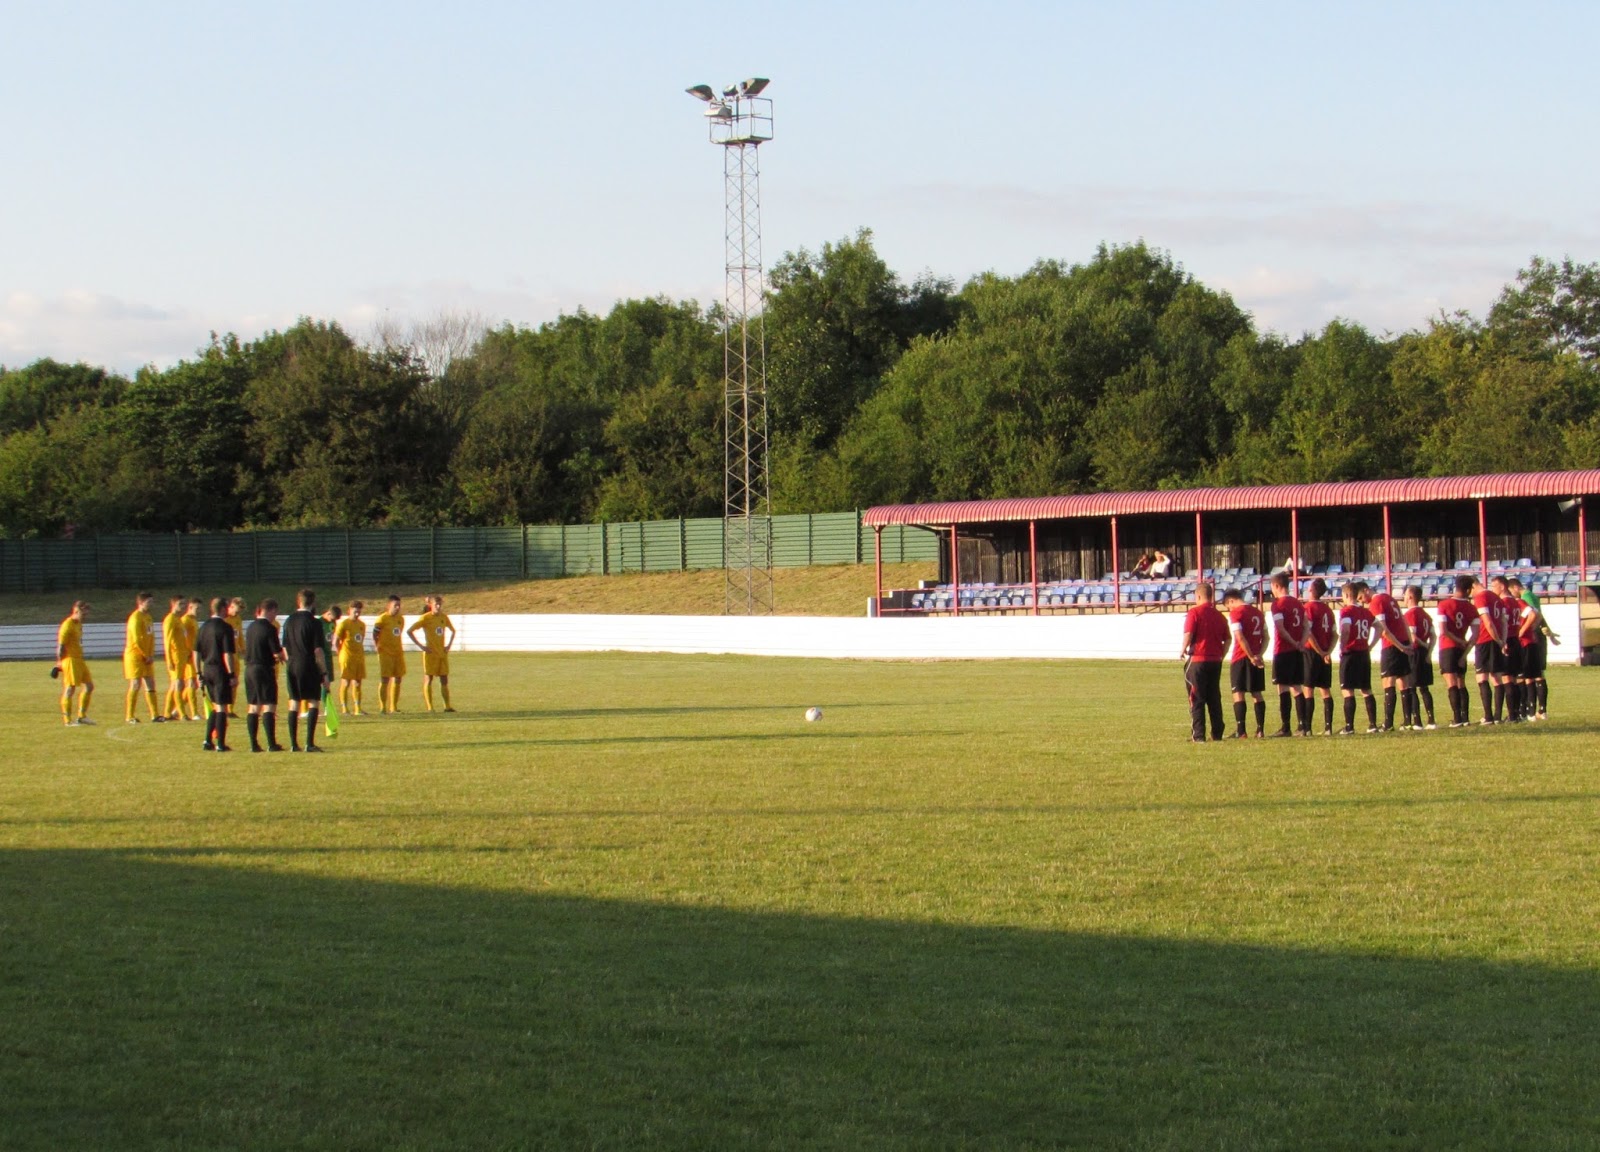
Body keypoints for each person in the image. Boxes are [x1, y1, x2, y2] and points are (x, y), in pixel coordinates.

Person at [281, 589, 332, 753]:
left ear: (298, 602)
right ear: (313, 603)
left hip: (292, 664)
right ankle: (309, 743)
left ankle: (293, 744)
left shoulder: (288, 621)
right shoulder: (314, 622)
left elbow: (284, 647)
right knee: (312, 701)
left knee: (294, 702)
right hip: (308, 664)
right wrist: (324, 673)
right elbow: (318, 650)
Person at [1179, 581, 1229, 742]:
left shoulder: (1194, 613)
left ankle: (1198, 735)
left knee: (1196, 697)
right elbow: (1228, 638)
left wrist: (1183, 649)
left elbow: (1188, 633)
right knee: (1214, 696)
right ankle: (1217, 733)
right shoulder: (1219, 615)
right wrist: (1222, 653)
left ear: (1198, 596)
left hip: (1198, 660)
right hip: (1215, 661)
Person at [1365, 582, 1414, 732]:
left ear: (1367, 590)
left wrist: (1400, 646)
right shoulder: (1389, 598)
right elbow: (1404, 621)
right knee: (1404, 682)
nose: (1362, 601)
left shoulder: (1376, 602)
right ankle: (1407, 722)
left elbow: (1383, 629)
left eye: (1361, 597)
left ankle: (1388, 723)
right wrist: (1409, 642)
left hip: (1392, 645)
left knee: (1388, 681)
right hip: (1403, 640)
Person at [243, 599, 287, 753]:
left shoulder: (250, 627)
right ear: (270, 610)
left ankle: (253, 744)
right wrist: (282, 657)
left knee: (254, 706)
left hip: (249, 669)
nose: (275, 616)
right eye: (275, 612)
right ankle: (271, 743)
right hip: (264, 668)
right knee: (269, 705)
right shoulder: (269, 628)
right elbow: (277, 652)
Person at [1266, 572, 1307, 737]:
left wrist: (1292, 642)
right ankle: (1303, 726)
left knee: (1282, 687)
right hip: (1297, 650)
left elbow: (1281, 629)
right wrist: (1301, 643)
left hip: (1283, 650)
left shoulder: (1278, 605)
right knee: (1296, 687)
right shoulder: (1298, 603)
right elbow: (1307, 626)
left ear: (1276, 586)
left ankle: (1286, 727)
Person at [194, 597, 237, 752]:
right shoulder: (225, 628)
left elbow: (196, 653)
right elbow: (227, 654)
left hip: (207, 669)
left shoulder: (203, 627)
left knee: (214, 706)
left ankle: (207, 740)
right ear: (223, 609)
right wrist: (232, 674)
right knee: (222, 708)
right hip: (220, 670)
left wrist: (198, 672)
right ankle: (220, 743)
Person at [1223, 587, 1267, 738]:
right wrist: (1258, 655)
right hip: (1256, 656)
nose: (1229, 609)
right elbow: (1266, 637)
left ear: (1231, 601)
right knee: (1257, 693)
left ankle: (1241, 731)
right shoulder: (1259, 613)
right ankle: (1260, 730)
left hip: (1241, 658)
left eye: (1228, 606)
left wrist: (1250, 656)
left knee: (1238, 693)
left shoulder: (1236, 613)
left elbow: (1240, 637)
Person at [1435, 574, 1477, 728]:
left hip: (1447, 648)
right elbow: (1476, 634)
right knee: (1461, 682)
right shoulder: (1471, 608)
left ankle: (1457, 718)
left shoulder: (1444, 605)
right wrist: (1465, 647)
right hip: (1461, 649)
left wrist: (1459, 641)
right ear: (1467, 590)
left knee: (1451, 682)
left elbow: (1443, 631)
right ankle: (1465, 718)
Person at [1337, 582, 1379, 735]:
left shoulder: (1346, 612)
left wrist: (1342, 646)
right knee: (1366, 689)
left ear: (1347, 595)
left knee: (1348, 690)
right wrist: (1371, 644)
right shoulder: (1365, 612)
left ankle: (1349, 726)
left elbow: (1346, 630)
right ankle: (1373, 724)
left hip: (1351, 653)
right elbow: (1379, 626)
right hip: (1363, 654)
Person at [407, 594, 457, 713]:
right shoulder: (425, 618)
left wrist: (448, 645)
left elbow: (453, 631)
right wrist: (421, 646)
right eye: (436, 604)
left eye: (440, 604)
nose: (438, 607)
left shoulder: (444, 617)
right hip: (430, 654)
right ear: (431, 605)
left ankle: (447, 706)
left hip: (442, 654)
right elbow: (410, 631)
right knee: (428, 679)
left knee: (444, 679)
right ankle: (430, 707)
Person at [1471, 576, 1510, 724]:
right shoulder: (1497, 598)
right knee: (1497, 678)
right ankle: (1498, 716)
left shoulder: (1481, 597)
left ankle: (1488, 716)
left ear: (1474, 586)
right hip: (1497, 640)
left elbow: (1487, 622)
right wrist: (1502, 641)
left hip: (1485, 640)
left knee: (1482, 677)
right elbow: (1504, 622)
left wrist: (1497, 640)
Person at [122, 592, 164, 724]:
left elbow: (150, 636)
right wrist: (145, 655)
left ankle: (155, 715)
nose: (151, 604)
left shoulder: (148, 617)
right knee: (135, 684)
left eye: (152, 601)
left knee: (150, 683)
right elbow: (136, 640)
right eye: (148, 602)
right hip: (134, 656)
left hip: (147, 656)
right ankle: (129, 716)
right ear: (140, 603)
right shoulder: (135, 618)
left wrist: (151, 654)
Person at [1303, 578, 1337, 736]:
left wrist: (1319, 651)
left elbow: (1308, 633)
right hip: (1325, 653)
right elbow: (1335, 634)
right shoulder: (1328, 610)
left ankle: (1307, 728)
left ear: (1311, 590)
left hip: (1311, 652)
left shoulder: (1308, 608)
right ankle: (1328, 727)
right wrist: (1327, 651)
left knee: (1308, 689)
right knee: (1325, 690)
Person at [1401, 585, 1437, 730]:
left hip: (1414, 653)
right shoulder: (1426, 615)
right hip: (1424, 654)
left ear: (1410, 597)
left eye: (1405, 595)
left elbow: (1413, 637)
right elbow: (1434, 636)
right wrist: (1429, 651)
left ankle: (1417, 722)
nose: (1403, 598)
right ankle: (1431, 720)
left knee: (1412, 687)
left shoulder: (1410, 615)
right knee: (1424, 688)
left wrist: (1423, 645)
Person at [1516, 579, 1552, 720]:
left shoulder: (1524, 598)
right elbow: (1538, 615)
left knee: (1526, 676)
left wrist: (1525, 630)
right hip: (1536, 639)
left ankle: (1527, 712)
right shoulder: (1533, 596)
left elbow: (1533, 615)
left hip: (1527, 640)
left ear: (1514, 588)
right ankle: (1540, 711)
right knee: (1537, 673)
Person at [56, 600, 95, 726]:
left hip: (79, 659)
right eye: (84, 614)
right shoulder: (67, 625)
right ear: (76, 611)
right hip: (70, 659)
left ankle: (82, 716)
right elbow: (61, 647)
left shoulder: (78, 624)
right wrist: (59, 663)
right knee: (70, 688)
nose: (85, 617)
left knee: (89, 686)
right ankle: (67, 720)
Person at [161, 595, 194, 722]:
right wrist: (169, 660)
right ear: (173, 604)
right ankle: (182, 714)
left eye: (185, 604)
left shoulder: (178, 619)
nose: (183, 606)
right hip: (175, 657)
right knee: (178, 684)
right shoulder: (169, 619)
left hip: (182, 656)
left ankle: (167, 713)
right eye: (181, 604)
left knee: (175, 685)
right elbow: (167, 641)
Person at [372, 594, 407, 714]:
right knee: (385, 679)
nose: (397, 608)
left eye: (399, 605)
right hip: (385, 653)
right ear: (389, 606)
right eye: (395, 605)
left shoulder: (401, 619)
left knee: (398, 678)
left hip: (398, 652)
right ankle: (383, 707)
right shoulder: (382, 619)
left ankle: (394, 707)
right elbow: (375, 633)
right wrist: (377, 646)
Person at [1499, 577, 1527, 722]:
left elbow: (1503, 622)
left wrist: (1502, 642)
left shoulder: (1503, 603)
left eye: (1494, 586)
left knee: (1507, 678)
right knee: (1515, 679)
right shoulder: (1516, 603)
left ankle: (1512, 715)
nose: (1493, 589)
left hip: (1508, 640)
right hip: (1516, 640)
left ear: (1502, 587)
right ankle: (1517, 713)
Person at [333, 601, 368, 715]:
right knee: (346, 682)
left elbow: (360, 641)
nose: (357, 613)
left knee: (358, 683)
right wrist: (340, 653)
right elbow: (336, 641)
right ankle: (345, 708)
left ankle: (358, 708)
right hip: (347, 656)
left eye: (359, 611)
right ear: (349, 610)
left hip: (358, 657)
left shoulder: (362, 625)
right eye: (355, 611)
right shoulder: (344, 624)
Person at [224, 596, 247, 716]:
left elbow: (240, 635)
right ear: (231, 606)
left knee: (235, 683)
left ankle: (230, 709)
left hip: (235, 655)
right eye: (237, 610)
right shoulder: (224, 619)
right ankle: (222, 708)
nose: (238, 613)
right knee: (226, 682)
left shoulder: (238, 619)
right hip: (225, 654)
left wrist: (243, 649)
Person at [181, 598, 203, 722]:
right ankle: (194, 712)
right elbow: (182, 638)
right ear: (190, 607)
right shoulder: (185, 620)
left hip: (194, 655)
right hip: (189, 656)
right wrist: (187, 651)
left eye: (200, 608)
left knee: (193, 684)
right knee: (191, 683)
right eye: (196, 608)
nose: (198, 611)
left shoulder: (193, 620)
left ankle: (176, 709)